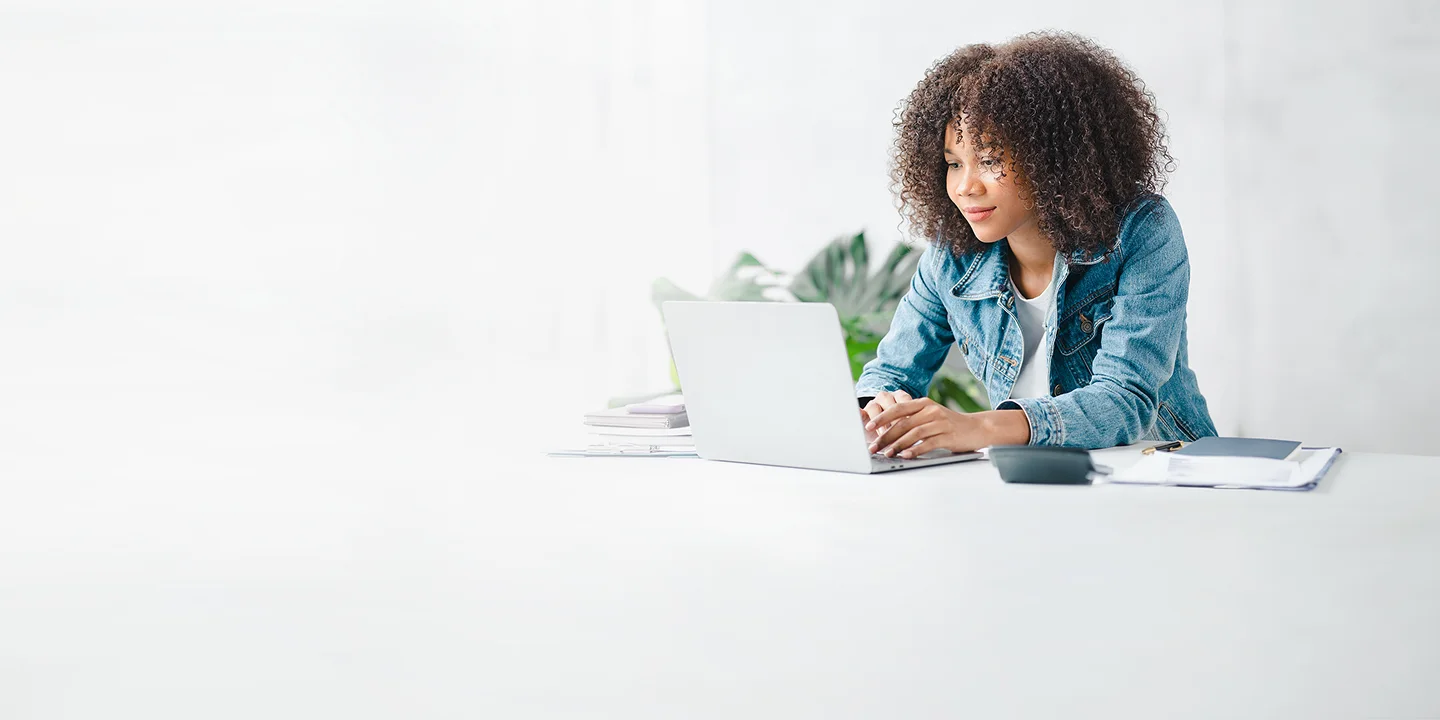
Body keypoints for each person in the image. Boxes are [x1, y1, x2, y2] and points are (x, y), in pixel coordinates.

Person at [859, 32, 1216, 458]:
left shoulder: (1142, 230)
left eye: (990, 161)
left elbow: (1125, 400)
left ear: (1053, 158)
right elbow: (891, 372)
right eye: (954, 164)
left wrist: (977, 428)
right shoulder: (951, 253)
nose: (966, 187)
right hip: (1034, 483)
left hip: (1162, 473)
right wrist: (879, 408)